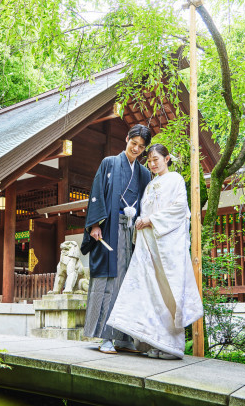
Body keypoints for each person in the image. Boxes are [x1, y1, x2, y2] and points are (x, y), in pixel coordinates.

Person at [106, 143, 203, 359]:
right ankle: (155, 341)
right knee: (150, 292)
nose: (152, 164)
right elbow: (146, 210)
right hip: (149, 244)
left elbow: (179, 208)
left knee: (169, 291)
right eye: (149, 160)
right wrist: (139, 219)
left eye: (156, 159)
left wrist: (150, 219)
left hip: (168, 246)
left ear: (167, 158)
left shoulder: (176, 179)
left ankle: (173, 346)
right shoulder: (150, 185)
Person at [80, 124, 151, 354]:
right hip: (109, 230)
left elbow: (147, 202)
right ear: (127, 139)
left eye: (141, 147)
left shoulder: (144, 173)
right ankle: (106, 337)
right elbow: (96, 193)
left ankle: (123, 336)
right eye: (134, 143)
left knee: (129, 283)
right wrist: (94, 225)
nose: (136, 149)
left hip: (133, 233)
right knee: (108, 282)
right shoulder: (109, 163)